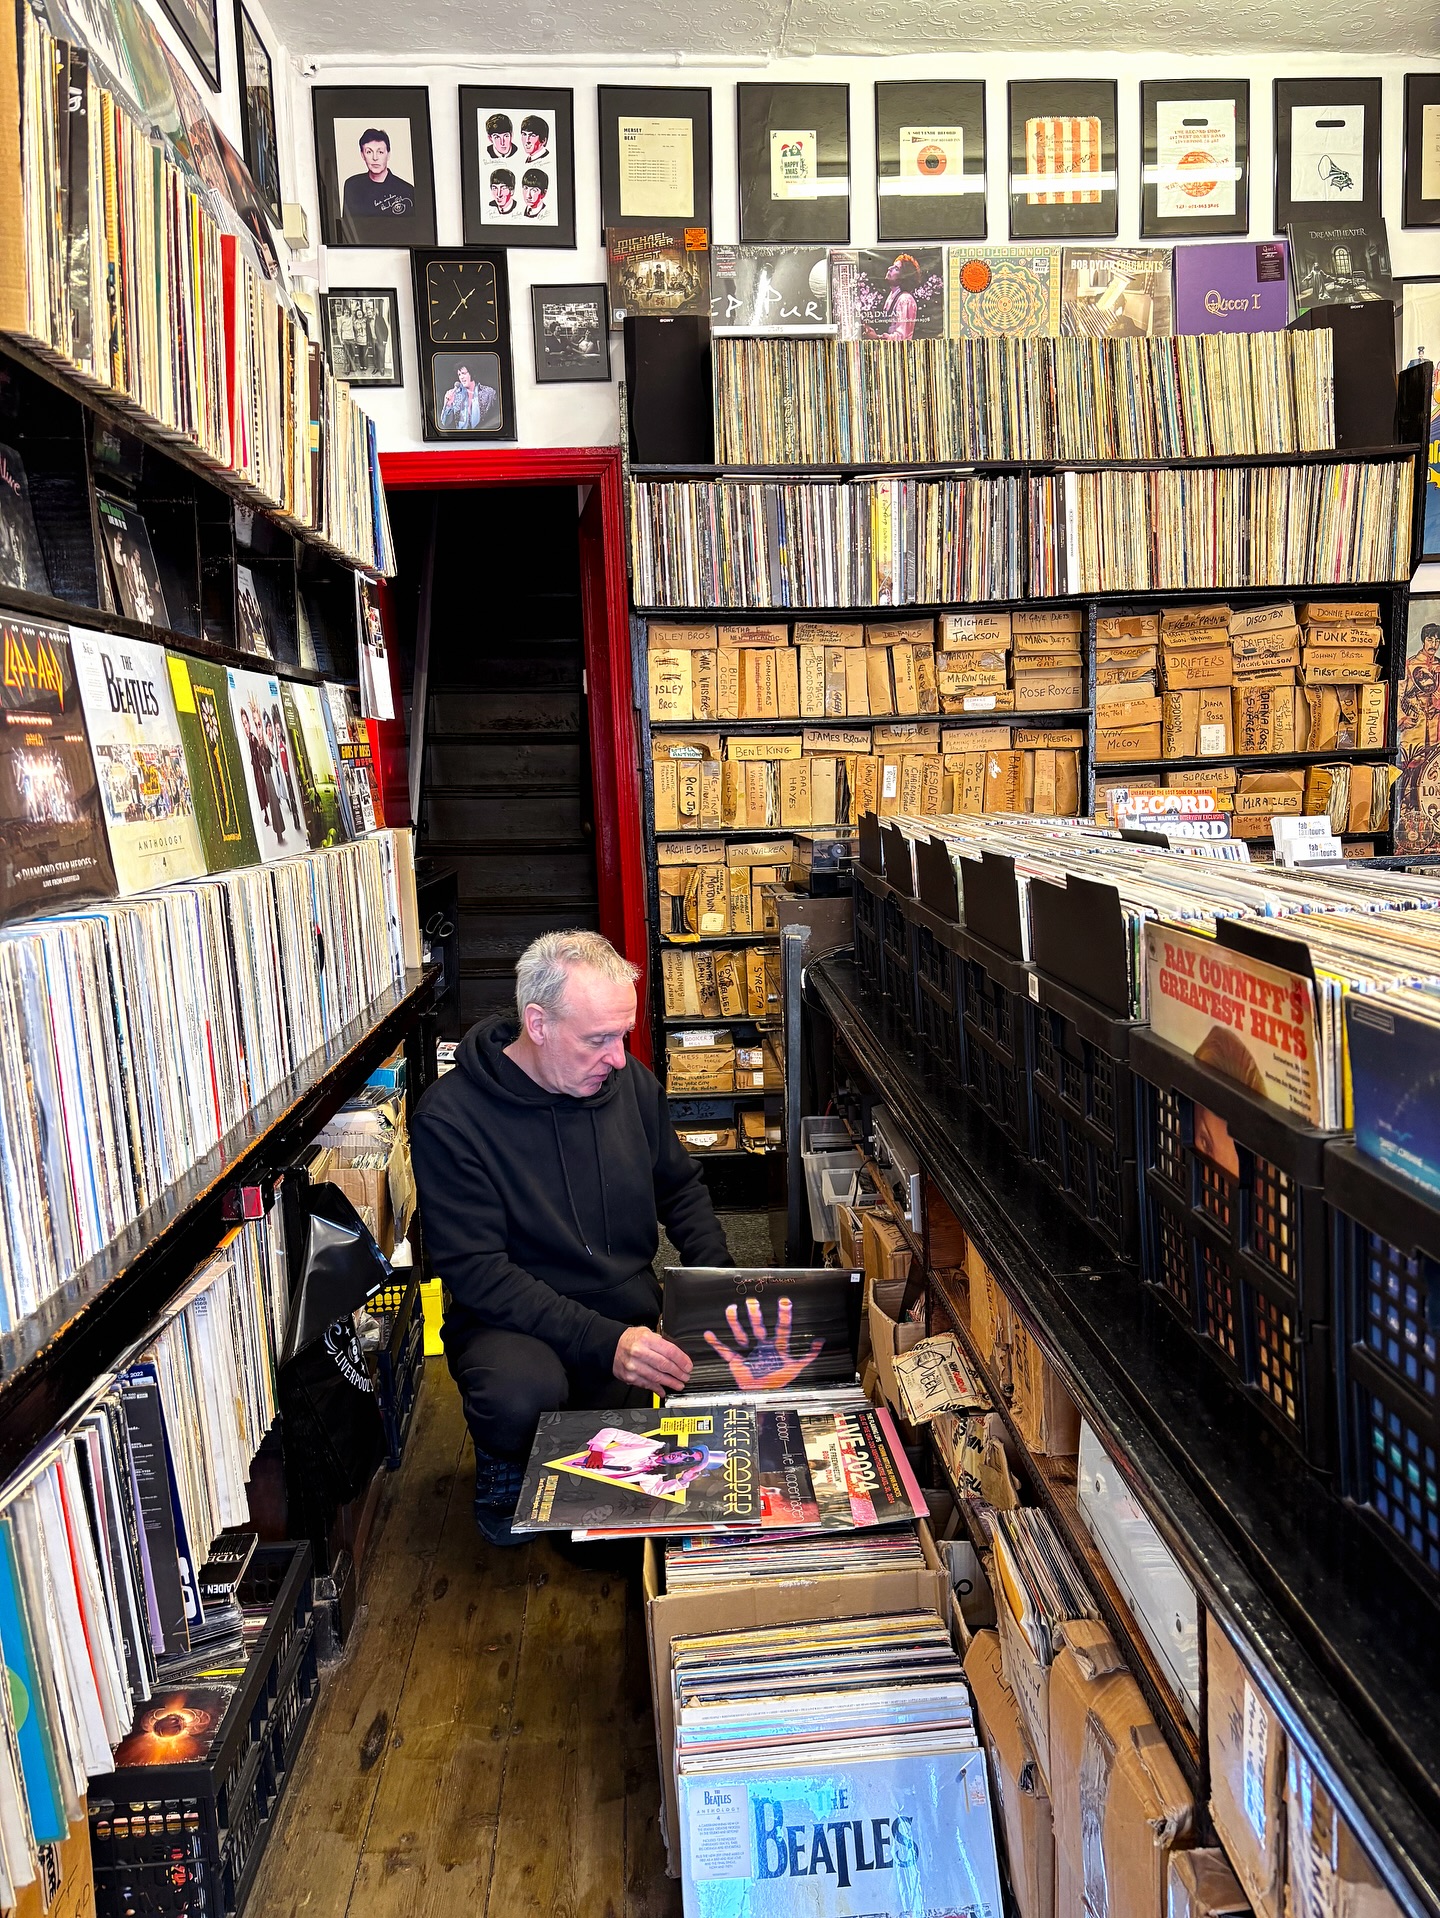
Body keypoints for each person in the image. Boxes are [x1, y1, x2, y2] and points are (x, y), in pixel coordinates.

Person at [410, 930, 733, 1544]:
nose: (619, 1058)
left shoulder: (629, 1085)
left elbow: (681, 1188)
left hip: (624, 1314)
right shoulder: (450, 1117)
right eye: (598, 1040)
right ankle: (506, 1465)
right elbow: (477, 1271)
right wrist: (607, 1342)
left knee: (610, 1538)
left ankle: (579, 1435)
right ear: (538, 1023)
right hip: (513, 1325)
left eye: (623, 1036)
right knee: (519, 1395)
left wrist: (715, 1284)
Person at [341, 127, 415, 225]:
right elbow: (346, 228)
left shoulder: (407, 190)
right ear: (362, 155)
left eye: (380, 152)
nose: (375, 158)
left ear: (388, 154)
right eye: (369, 152)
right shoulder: (352, 186)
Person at [438, 363, 499, 431]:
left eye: (463, 373)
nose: (461, 377)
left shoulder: (489, 393)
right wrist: (448, 405)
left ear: (472, 373)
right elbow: (445, 423)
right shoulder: (455, 394)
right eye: (459, 374)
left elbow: (497, 417)